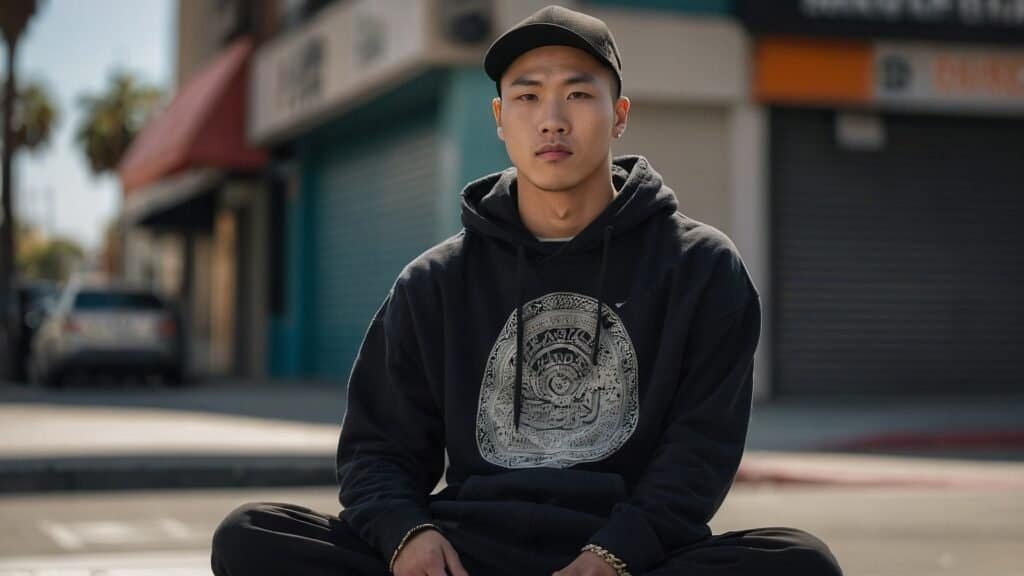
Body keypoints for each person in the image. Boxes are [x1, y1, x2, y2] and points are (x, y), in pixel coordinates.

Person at [211, 5, 843, 576]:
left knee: (799, 564)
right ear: (499, 118)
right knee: (250, 536)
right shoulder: (435, 282)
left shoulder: (699, 266)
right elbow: (378, 450)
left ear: (619, 116)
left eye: (578, 94)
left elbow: (699, 454)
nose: (552, 119)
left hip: (625, 557)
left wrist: (615, 554)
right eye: (528, 96)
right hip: (469, 549)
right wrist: (408, 535)